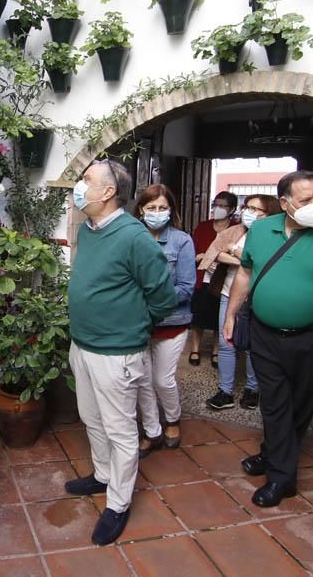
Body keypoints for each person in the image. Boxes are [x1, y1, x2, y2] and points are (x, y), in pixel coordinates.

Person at [224, 170, 313, 507]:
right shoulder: (261, 230)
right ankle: (281, 479)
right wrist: (230, 314)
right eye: (306, 200)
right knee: (274, 404)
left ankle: (271, 453)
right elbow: (245, 272)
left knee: (300, 406)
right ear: (285, 204)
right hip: (265, 334)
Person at [65, 160, 177, 545]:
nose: (80, 187)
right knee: (91, 419)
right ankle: (102, 476)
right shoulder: (92, 230)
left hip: (117, 354)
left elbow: (163, 296)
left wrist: (132, 326)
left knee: (120, 431)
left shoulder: (135, 237)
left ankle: (118, 503)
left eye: (86, 181)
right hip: (82, 345)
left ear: (108, 192)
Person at [202, 194, 282, 411]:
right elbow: (216, 254)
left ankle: (252, 389)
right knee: (226, 341)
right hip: (229, 294)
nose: (250, 213)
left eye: (257, 210)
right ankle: (225, 391)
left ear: (271, 214)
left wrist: (236, 252)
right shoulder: (236, 231)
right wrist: (243, 258)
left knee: (252, 345)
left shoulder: (277, 237)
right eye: (248, 207)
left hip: (258, 298)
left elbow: (266, 263)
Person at [133, 185, 196, 455]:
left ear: (171, 210)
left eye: (162, 208)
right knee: (142, 380)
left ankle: (172, 419)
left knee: (162, 380)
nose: (157, 213)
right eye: (151, 208)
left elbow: (186, 287)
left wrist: (150, 303)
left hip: (172, 322)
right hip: (137, 325)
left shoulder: (181, 241)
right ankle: (152, 430)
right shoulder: (131, 239)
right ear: (140, 210)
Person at [189, 191, 237, 367]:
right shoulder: (203, 227)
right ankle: (195, 349)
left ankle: (216, 351)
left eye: (223, 206)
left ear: (231, 209)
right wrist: (201, 257)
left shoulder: (237, 228)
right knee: (198, 318)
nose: (218, 208)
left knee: (220, 319)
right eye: (216, 204)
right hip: (202, 279)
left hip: (223, 281)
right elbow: (192, 252)